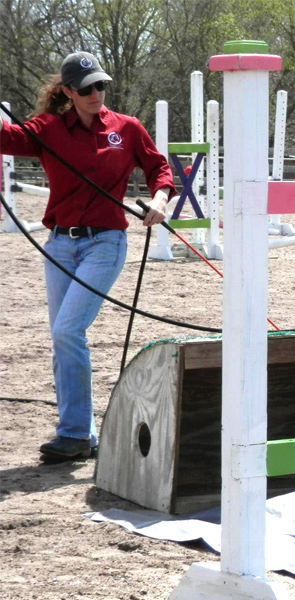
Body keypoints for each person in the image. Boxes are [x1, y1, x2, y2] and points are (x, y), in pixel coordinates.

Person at [0, 51, 174, 462]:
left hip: (105, 243)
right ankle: (79, 434)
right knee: (64, 338)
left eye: (101, 85)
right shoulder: (46, 129)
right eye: (86, 88)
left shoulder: (127, 128)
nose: (96, 93)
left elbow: (158, 168)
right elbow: (5, 138)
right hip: (59, 244)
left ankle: (75, 433)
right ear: (67, 92)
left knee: (66, 331)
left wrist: (161, 199)